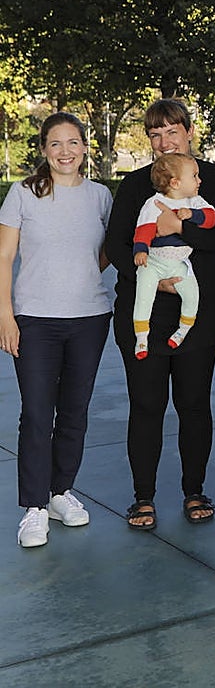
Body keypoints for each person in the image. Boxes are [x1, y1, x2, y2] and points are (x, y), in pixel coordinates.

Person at [105, 99, 215, 531]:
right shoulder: (136, 184)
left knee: (194, 403)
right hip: (145, 310)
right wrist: (153, 278)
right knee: (146, 405)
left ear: (189, 131)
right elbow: (119, 245)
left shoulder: (213, 179)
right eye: (155, 134)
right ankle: (143, 496)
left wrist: (178, 226)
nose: (164, 141)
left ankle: (193, 489)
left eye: (172, 131)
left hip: (198, 315)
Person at [0, 114, 112, 548]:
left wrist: (80, 274)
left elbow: (103, 253)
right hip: (34, 321)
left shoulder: (100, 196)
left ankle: (61, 491)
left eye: (73, 143)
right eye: (55, 144)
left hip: (88, 318)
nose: (65, 151)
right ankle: (34, 506)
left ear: (85, 147)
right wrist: (5, 315)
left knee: (74, 411)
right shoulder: (22, 194)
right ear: (44, 150)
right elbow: (4, 257)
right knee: (35, 413)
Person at [130, 154, 215, 358]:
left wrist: (192, 215)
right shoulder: (154, 203)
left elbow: (211, 218)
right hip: (154, 262)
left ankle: (182, 330)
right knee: (144, 293)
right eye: (194, 176)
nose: (199, 180)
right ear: (176, 183)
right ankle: (142, 337)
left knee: (192, 295)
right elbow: (144, 229)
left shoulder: (195, 201)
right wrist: (140, 250)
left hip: (179, 263)